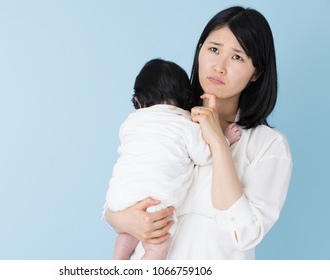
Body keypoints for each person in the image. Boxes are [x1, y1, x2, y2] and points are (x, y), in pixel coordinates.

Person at [104, 6, 293, 259]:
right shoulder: (166, 120)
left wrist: (218, 142)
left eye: (237, 57)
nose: (219, 66)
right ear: (200, 50)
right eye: (214, 49)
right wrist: (122, 220)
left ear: (256, 72)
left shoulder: (268, 146)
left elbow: (245, 233)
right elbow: (119, 198)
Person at [105, 58, 241, 260]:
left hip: (118, 197)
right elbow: (204, 155)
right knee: (158, 247)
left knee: (126, 234)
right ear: (186, 98)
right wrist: (224, 140)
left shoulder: (131, 121)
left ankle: (117, 262)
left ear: (139, 100)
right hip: (155, 203)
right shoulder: (185, 124)